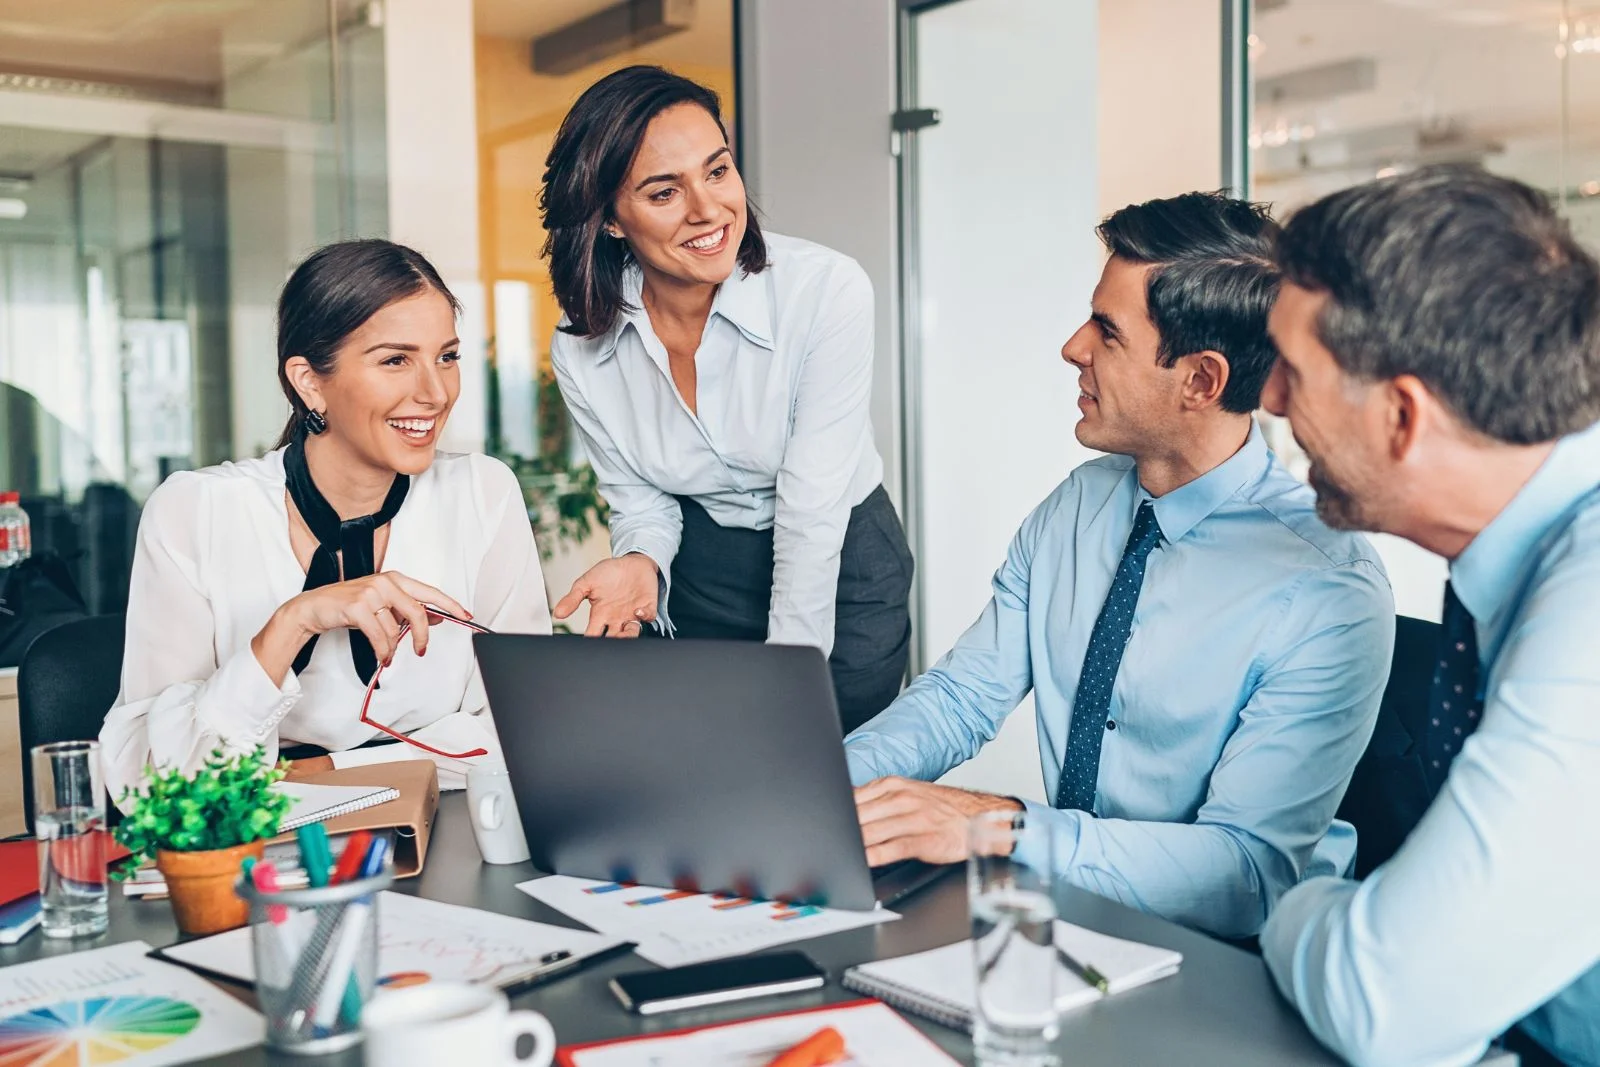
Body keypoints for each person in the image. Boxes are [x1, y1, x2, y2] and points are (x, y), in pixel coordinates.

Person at [845, 192, 1395, 940]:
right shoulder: (1078, 505)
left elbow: (1247, 875)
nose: (1074, 347)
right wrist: (823, 791)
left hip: (1236, 963)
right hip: (1079, 918)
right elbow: (959, 698)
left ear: (1200, 381)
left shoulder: (1325, 587)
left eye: (1107, 332)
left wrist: (1005, 826)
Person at [1258, 166, 1600, 1067]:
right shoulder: (1512, 549)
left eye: (1293, 373)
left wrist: (1294, 905)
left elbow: (1386, 1002)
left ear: (1403, 416)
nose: (1268, 402)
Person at [100, 239, 552, 798]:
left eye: (447, 356)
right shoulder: (195, 512)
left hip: (446, 826)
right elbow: (150, 780)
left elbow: (523, 731)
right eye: (395, 360)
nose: (435, 393)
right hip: (255, 847)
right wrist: (293, 623)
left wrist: (321, 775)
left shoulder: (483, 493)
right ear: (310, 381)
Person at [540, 65, 912, 734]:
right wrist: (641, 560)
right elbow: (642, 503)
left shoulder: (826, 292)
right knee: (692, 767)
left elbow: (811, 508)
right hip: (703, 562)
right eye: (664, 192)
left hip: (841, 559)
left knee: (818, 775)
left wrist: (787, 680)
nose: (709, 209)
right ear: (612, 221)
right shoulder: (582, 348)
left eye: (718, 171)